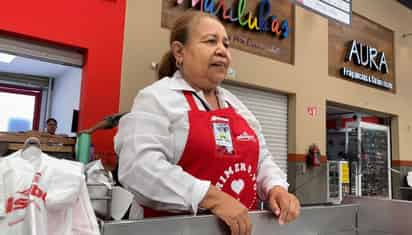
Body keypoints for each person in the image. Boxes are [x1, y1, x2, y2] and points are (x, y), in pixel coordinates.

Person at [115, 11, 300, 235]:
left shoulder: (237, 107)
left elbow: (262, 160)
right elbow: (138, 167)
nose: (222, 50)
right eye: (211, 41)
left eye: (226, 43)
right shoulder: (157, 99)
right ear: (179, 52)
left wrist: (276, 188)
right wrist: (210, 197)